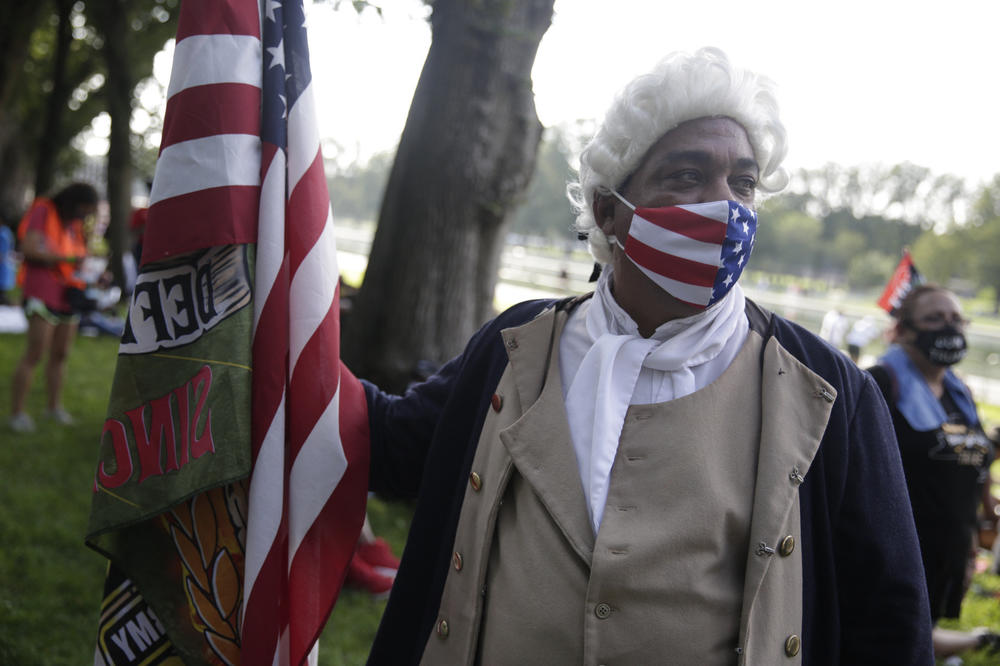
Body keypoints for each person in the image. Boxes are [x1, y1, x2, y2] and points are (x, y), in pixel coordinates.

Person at [361, 48, 932, 664]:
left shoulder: (830, 392)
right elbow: (393, 448)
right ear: (610, 212)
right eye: (687, 175)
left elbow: (889, 622)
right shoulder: (516, 344)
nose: (725, 205)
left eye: (742, 181)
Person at [867, 285, 999, 659]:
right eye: (934, 319)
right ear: (905, 329)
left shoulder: (960, 393)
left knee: (922, 631)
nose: (949, 327)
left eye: (957, 319)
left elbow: (972, 464)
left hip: (949, 547)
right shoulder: (878, 383)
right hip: (894, 546)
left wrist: (971, 538)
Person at [8, 182, 98, 432]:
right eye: (83, 208)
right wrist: (68, 259)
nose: (85, 214)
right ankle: (17, 413)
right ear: (73, 201)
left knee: (61, 354)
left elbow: (77, 256)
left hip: (68, 294)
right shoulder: (44, 210)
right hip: (42, 292)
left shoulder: (75, 225)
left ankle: (53, 408)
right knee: (35, 353)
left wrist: (92, 272)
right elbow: (29, 248)